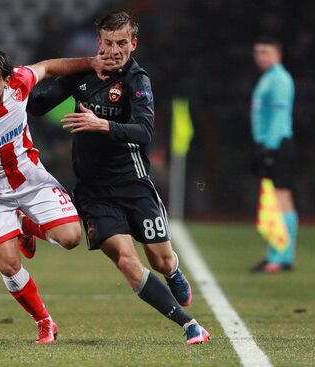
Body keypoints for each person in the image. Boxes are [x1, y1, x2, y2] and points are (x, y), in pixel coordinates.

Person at [27, 11, 210, 344]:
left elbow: (145, 133)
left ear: (133, 43)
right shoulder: (82, 73)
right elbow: (38, 106)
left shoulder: (137, 81)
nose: (114, 50)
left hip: (134, 183)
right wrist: (24, 85)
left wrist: (104, 125)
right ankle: (189, 324)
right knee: (127, 261)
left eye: (121, 43)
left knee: (160, 258)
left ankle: (172, 272)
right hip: (93, 192)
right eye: (108, 43)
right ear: (98, 43)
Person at [0, 48, 117, 344]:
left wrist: (91, 63)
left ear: (6, 79)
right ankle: (44, 321)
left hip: (29, 179)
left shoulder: (20, 82)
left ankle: (25, 225)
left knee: (71, 237)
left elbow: (49, 67)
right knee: (8, 263)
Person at [249, 38, 298, 273]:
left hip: (277, 144)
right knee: (281, 197)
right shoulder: (269, 77)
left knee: (278, 198)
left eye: (265, 52)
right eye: (257, 52)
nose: (260, 56)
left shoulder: (278, 79)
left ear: (278, 54)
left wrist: (268, 147)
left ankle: (279, 256)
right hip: (273, 143)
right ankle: (281, 255)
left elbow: (278, 116)